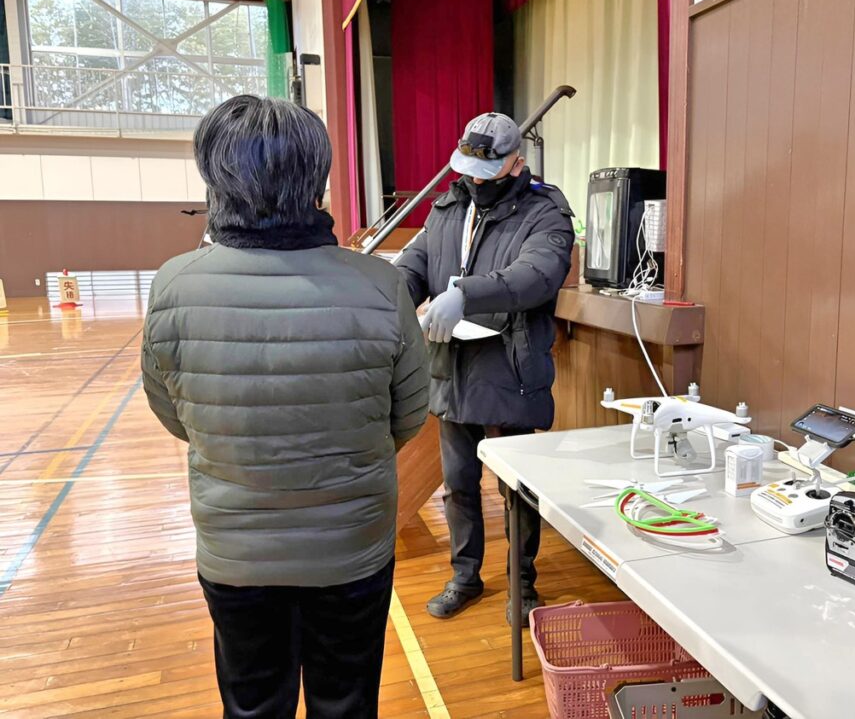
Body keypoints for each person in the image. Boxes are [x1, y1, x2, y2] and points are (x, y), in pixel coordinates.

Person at [141, 95, 429, 719]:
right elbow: (408, 414)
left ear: (216, 178)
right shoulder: (380, 285)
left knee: (251, 704)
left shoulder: (174, 283)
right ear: (317, 179)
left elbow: (173, 414)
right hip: (349, 547)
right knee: (347, 703)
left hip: (235, 551)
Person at [396, 112, 575, 626]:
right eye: (468, 169)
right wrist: (396, 292)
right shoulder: (449, 206)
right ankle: (465, 577)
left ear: (516, 161)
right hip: (453, 366)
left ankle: (523, 584)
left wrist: (464, 295)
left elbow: (536, 275)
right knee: (458, 483)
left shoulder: (544, 212)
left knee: (516, 487)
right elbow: (417, 262)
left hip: (511, 367)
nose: (475, 180)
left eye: (487, 170)